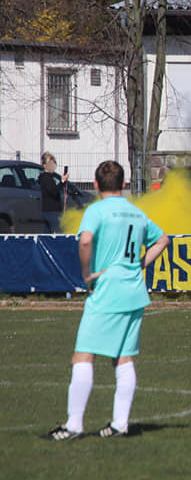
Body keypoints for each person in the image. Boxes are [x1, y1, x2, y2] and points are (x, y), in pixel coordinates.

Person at [43, 160, 169, 441]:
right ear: (124, 184)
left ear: (97, 184)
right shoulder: (137, 213)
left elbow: (85, 241)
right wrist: (139, 265)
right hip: (134, 292)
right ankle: (120, 424)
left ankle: (73, 426)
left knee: (83, 355)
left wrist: (87, 274)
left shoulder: (96, 210)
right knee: (123, 358)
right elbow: (163, 240)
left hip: (108, 290)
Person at [38, 152, 67, 233]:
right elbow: (54, 191)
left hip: (47, 210)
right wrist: (62, 182)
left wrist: (62, 182)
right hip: (52, 210)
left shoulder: (46, 177)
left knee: (47, 234)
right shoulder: (47, 178)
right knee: (57, 233)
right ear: (44, 165)